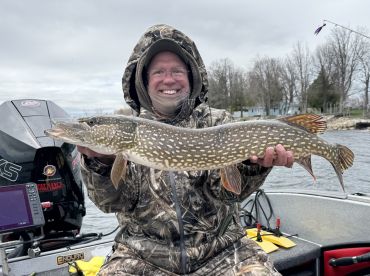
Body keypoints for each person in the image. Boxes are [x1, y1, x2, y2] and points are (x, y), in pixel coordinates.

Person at [78, 24, 293, 275]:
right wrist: (101, 164)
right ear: (144, 81)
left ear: (191, 76)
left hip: (223, 252)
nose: (168, 79)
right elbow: (110, 203)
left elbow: (230, 193)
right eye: (158, 72)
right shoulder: (129, 130)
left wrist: (252, 166)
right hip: (141, 256)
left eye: (177, 71)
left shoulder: (220, 123)